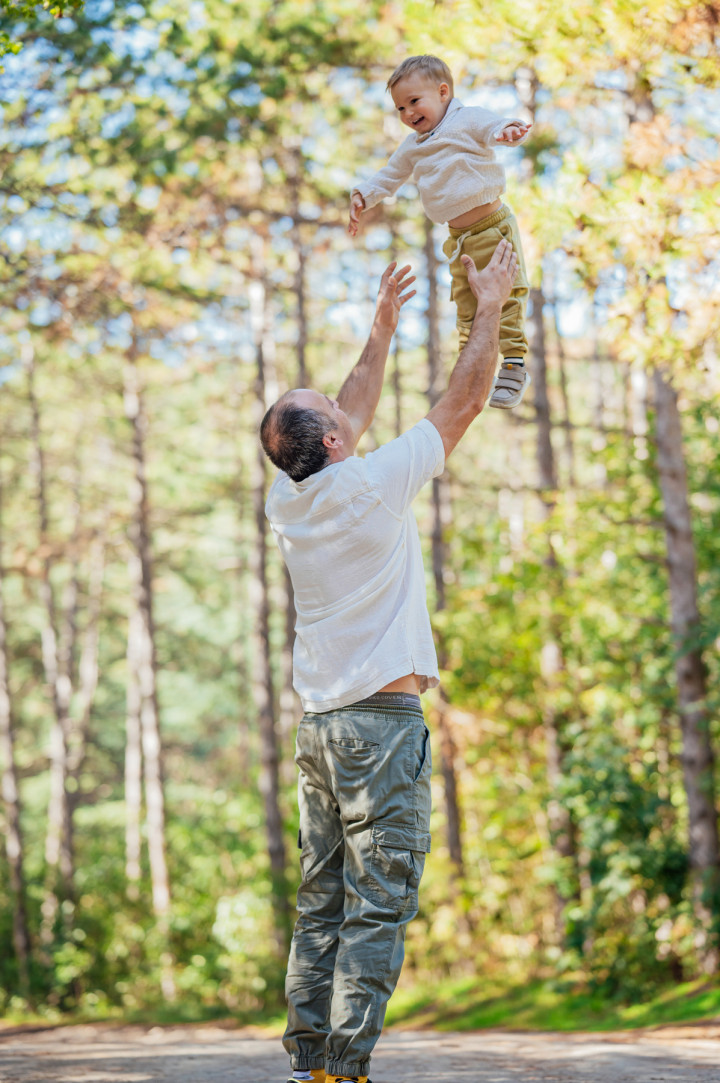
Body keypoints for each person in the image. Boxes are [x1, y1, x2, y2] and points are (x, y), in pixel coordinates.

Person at [260, 240, 519, 1083]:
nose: (342, 408)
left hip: (322, 731)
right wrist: (490, 308)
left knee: (321, 900)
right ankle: (342, 1066)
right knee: (378, 903)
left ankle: (311, 1060)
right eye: (329, 409)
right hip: (378, 724)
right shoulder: (371, 486)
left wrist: (382, 326)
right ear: (334, 440)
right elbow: (463, 402)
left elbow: (348, 412)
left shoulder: (288, 497)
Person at [348, 54, 532, 411]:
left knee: (505, 295)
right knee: (466, 305)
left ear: (443, 92)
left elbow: (492, 127)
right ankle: (472, 364)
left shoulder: (466, 119)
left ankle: (513, 364)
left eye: (414, 102)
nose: (407, 114)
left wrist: (507, 131)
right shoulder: (413, 147)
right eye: (400, 108)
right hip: (459, 240)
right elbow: (389, 176)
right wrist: (362, 196)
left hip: (494, 229)